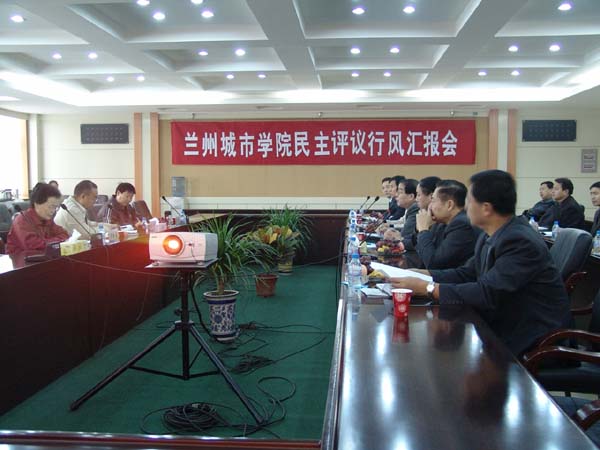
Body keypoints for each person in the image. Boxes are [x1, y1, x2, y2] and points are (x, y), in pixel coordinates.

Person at [390, 170, 570, 356]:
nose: (465, 207)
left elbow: (487, 292)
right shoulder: (491, 234)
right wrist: (420, 274)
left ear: (486, 208)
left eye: (469, 201)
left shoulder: (519, 241)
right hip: (503, 327)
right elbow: (467, 273)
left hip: (535, 342)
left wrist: (428, 288)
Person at [416, 179, 480, 270]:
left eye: (433, 200)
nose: (430, 206)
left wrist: (423, 230)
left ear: (449, 205)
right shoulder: (442, 223)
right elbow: (423, 251)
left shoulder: (462, 225)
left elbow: (433, 263)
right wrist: (423, 228)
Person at [6, 183, 69, 254]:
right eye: (51, 206)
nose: (53, 211)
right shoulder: (22, 220)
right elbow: (34, 246)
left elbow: (65, 235)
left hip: (43, 258)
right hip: (20, 259)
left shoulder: (47, 219)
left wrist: (49, 242)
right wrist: (55, 242)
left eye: (55, 207)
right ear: (37, 203)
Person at [396, 178, 419, 250]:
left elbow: (404, 234)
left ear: (411, 196)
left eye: (400, 192)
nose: (396, 195)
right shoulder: (409, 209)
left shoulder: (415, 208)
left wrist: (393, 235)